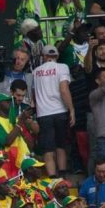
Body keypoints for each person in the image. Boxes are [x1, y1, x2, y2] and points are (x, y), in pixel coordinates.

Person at [33, 45, 73, 177]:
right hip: (60, 111)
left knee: (47, 148)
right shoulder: (62, 67)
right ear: (57, 56)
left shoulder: (36, 71)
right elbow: (64, 89)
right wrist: (71, 109)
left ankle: (52, 178)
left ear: (44, 57)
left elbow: (33, 94)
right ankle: (62, 176)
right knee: (61, 145)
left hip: (43, 113)